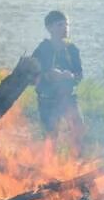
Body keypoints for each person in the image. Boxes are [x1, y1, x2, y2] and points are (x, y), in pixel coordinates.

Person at [31, 10, 84, 144]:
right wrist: (51, 75)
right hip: (47, 100)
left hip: (68, 98)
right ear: (49, 28)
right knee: (51, 136)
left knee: (78, 129)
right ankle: (48, 163)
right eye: (60, 25)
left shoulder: (72, 49)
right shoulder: (42, 49)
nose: (65, 28)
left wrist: (70, 76)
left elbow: (79, 75)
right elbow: (34, 75)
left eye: (67, 25)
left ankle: (79, 162)